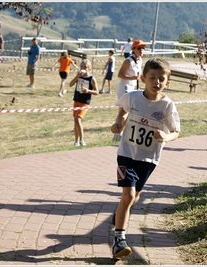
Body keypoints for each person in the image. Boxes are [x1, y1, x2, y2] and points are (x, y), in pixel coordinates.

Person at [110, 58, 180, 260]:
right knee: (129, 196)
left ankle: (120, 213)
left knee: (134, 197)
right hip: (127, 154)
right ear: (143, 79)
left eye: (161, 78)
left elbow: (176, 131)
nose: (156, 82)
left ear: (168, 82)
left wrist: (166, 137)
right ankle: (119, 240)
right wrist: (118, 123)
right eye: (152, 77)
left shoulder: (167, 106)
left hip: (149, 159)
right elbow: (123, 109)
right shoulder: (132, 97)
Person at [113, 39, 147, 141]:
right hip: (125, 87)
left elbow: (138, 75)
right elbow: (120, 74)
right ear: (134, 49)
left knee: (125, 111)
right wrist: (133, 78)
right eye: (139, 48)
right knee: (125, 110)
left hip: (133, 88)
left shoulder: (140, 60)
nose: (142, 50)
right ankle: (119, 132)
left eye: (143, 48)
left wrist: (141, 81)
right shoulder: (128, 61)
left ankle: (118, 132)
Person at [69, 59, 98, 147]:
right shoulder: (79, 76)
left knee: (78, 119)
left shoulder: (92, 79)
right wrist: (77, 76)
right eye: (81, 66)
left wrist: (88, 91)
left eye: (85, 67)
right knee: (75, 121)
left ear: (89, 68)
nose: (83, 68)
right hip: (77, 100)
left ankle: (82, 140)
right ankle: (76, 140)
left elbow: (97, 92)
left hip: (85, 102)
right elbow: (70, 84)